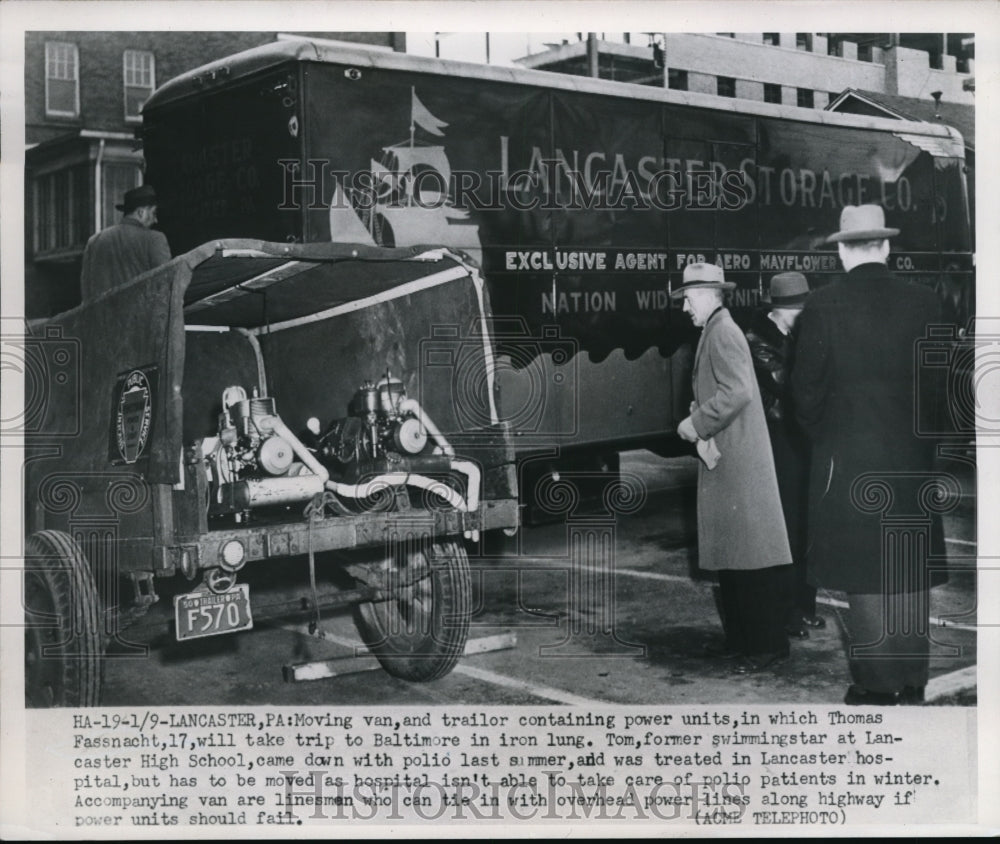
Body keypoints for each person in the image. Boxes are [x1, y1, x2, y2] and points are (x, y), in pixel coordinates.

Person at [791, 204, 943, 705]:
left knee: (867, 572)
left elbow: (805, 396)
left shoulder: (822, 306)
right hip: (912, 461)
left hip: (852, 461)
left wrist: (831, 443)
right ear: (887, 247)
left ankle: (878, 686)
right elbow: (941, 391)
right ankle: (913, 680)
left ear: (840, 252)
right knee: (908, 565)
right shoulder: (925, 302)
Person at [673, 262, 793, 674]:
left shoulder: (722, 331)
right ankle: (743, 642)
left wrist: (697, 423)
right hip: (731, 460)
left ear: (708, 295)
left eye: (688, 299)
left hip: (738, 462)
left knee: (750, 562)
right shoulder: (716, 328)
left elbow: (738, 391)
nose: (685, 307)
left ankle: (767, 647)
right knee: (735, 560)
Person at [744, 272, 822, 640]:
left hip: (800, 438)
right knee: (787, 528)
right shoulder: (756, 340)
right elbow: (788, 384)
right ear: (777, 310)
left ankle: (805, 606)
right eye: (798, 312)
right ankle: (787, 612)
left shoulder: (794, 335)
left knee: (807, 526)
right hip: (778, 442)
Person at [80, 184, 171, 302]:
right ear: (141, 212)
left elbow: (86, 290)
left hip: (101, 314)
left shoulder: (94, 241)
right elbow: (165, 285)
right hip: (140, 313)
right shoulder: (155, 239)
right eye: (154, 213)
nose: (156, 220)